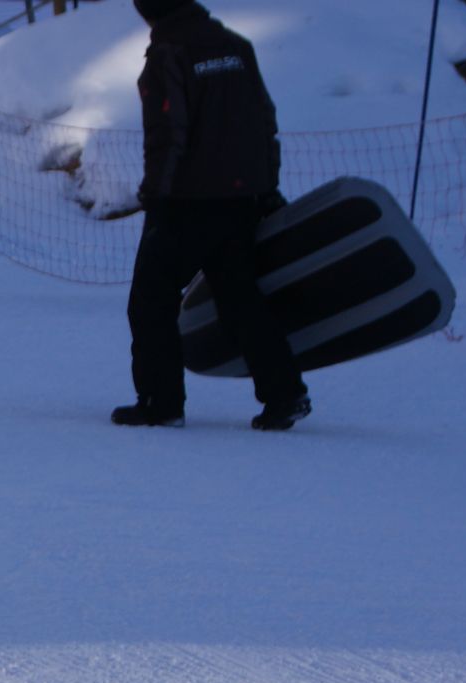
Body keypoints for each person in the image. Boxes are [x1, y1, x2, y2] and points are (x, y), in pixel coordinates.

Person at [115, 0, 311, 433]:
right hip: (241, 197)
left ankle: (161, 404)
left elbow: (168, 134)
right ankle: (285, 394)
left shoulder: (168, 54)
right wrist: (265, 186)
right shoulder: (236, 46)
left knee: (150, 300)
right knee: (239, 295)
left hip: (186, 200)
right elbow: (264, 119)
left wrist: (157, 196)